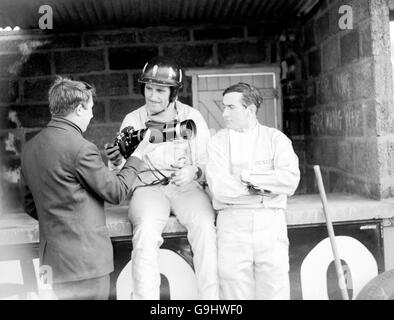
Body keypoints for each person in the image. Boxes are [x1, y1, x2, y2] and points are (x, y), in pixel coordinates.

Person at [20, 77, 157, 300]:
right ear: (79, 108)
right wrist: (139, 154)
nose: (92, 115)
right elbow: (117, 192)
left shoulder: (29, 149)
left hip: (53, 264)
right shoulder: (82, 148)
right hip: (87, 263)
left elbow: (28, 204)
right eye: (90, 108)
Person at [105, 56, 219, 300]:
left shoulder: (192, 117)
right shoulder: (132, 120)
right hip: (147, 188)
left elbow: (207, 161)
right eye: (148, 88)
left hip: (185, 187)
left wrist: (193, 172)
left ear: (173, 93)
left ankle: (211, 300)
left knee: (205, 228)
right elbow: (122, 171)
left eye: (160, 90)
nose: (152, 96)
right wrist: (115, 160)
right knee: (145, 233)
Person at [206, 82, 300, 300]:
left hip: (271, 224)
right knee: (235, 294)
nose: (224, 113)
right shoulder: (217, 143)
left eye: (231, 107)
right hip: (232, 226)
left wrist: (247, 179)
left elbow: (289, 181)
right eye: (224, 107)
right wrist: (266, 188)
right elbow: (220, 190)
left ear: (249, 110)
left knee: (275, 291)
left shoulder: (276, 139)